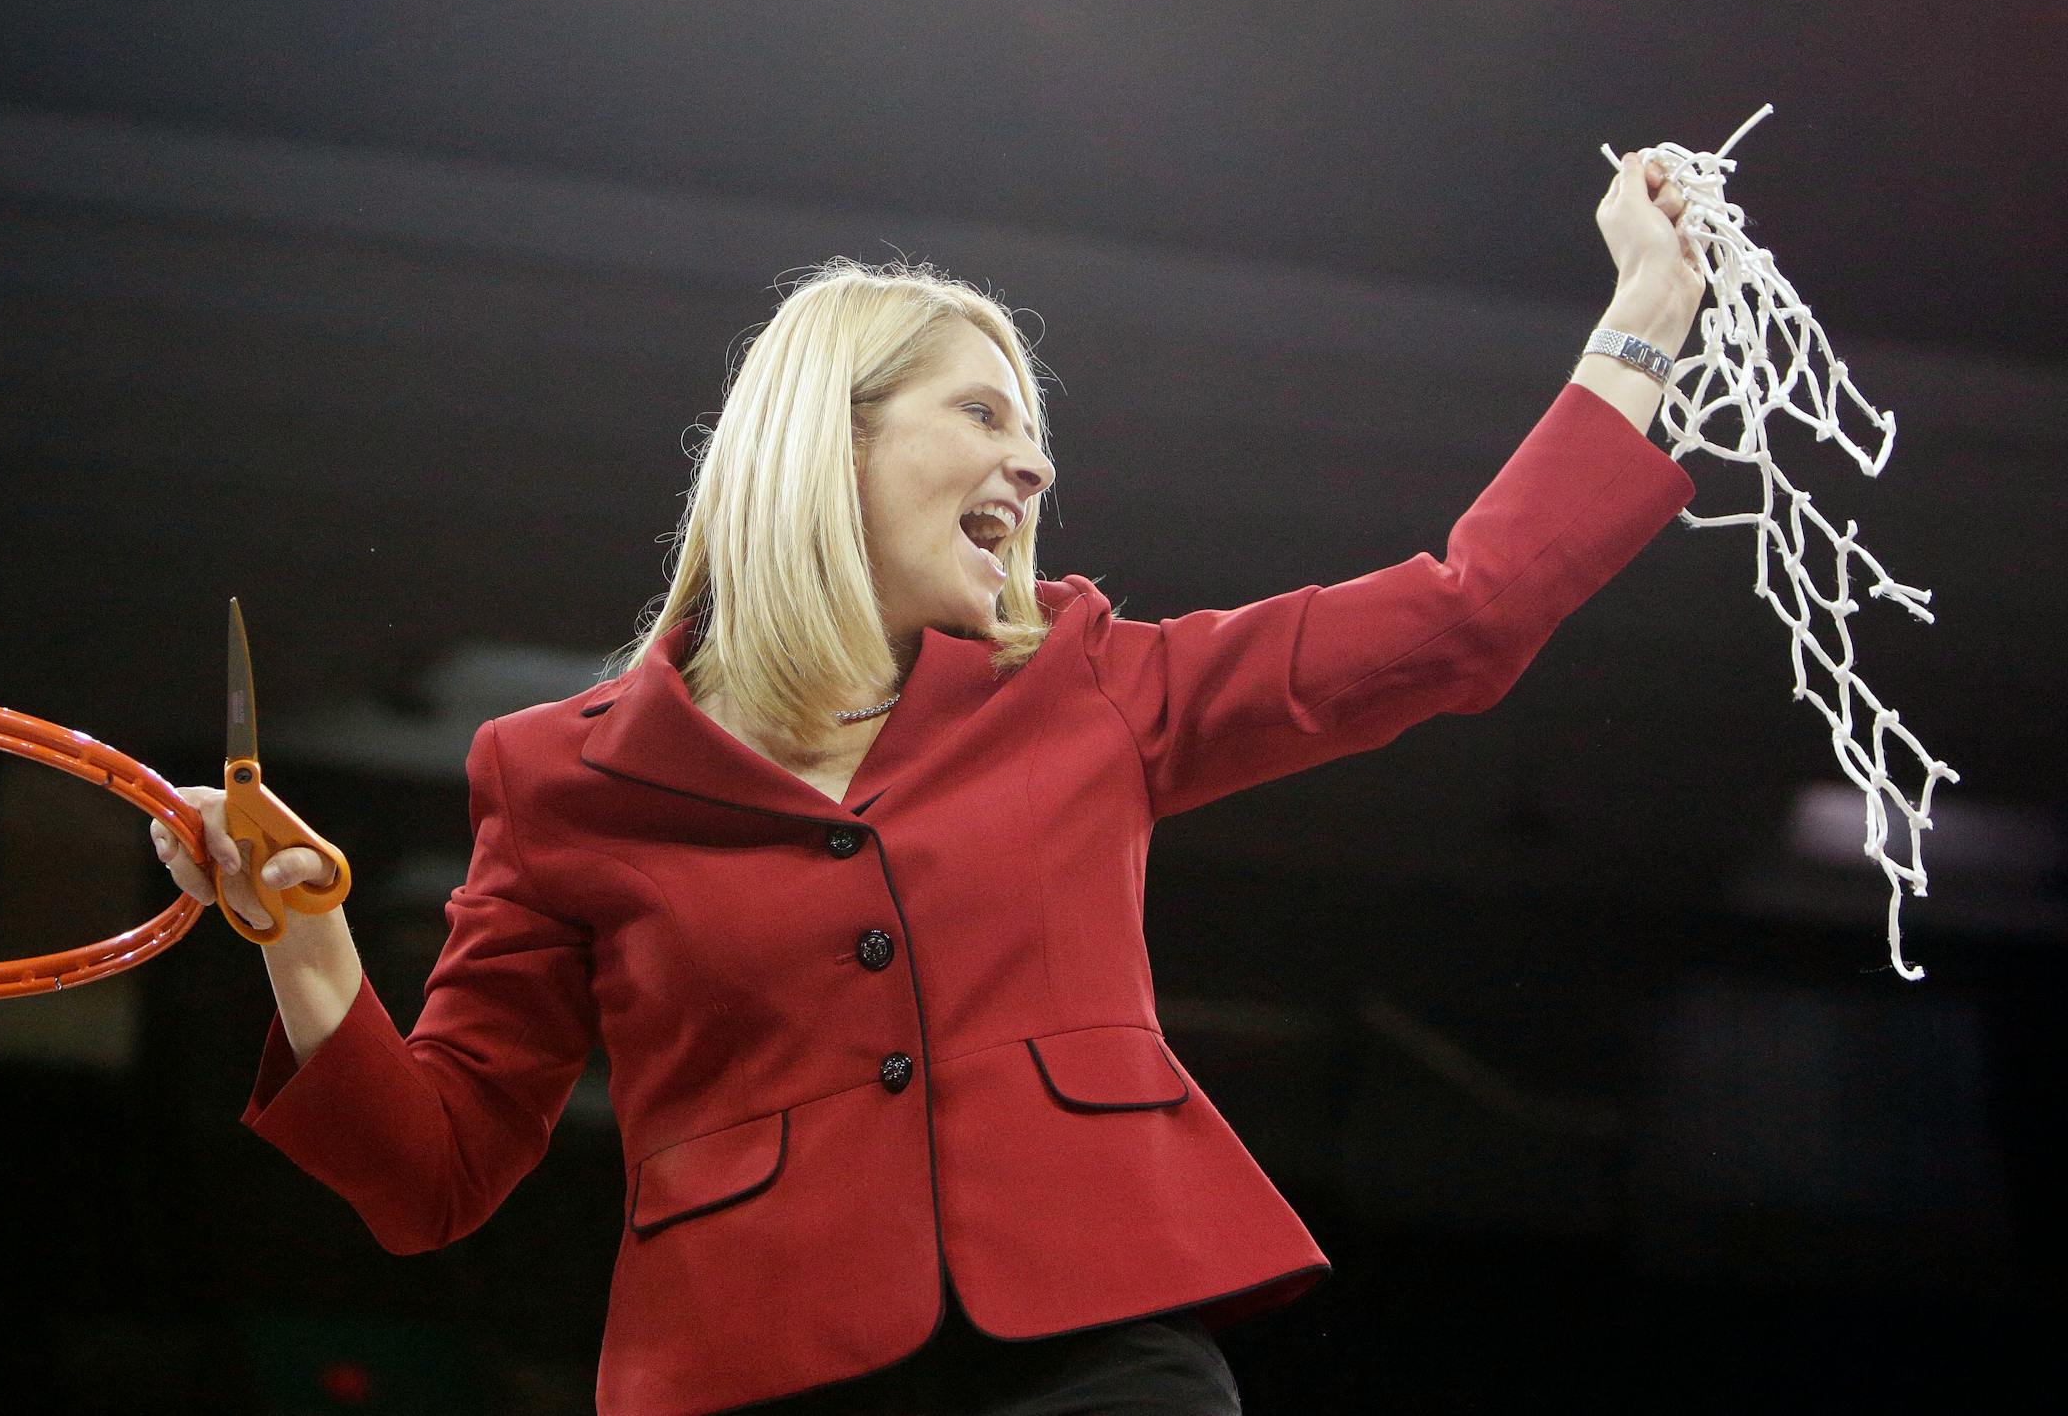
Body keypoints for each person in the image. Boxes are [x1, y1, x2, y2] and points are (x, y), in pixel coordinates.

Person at [152, 151, 1706, 1415]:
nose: (1033, 470)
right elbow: (432, 1179)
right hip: (752, 1374)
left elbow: (1462, 618)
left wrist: (1639, 316)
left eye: (1036, 439)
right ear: (830, 444)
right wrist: (306, 945)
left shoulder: (1092, 683)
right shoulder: (559, 782)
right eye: (983, 417)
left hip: (1101, 1361)